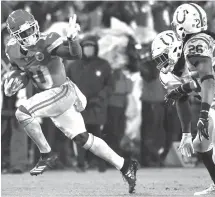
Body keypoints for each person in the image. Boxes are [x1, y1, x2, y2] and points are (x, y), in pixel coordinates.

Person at [4, 9, 138, 194]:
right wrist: (14, 80)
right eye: (24, 32)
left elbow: (75, 55)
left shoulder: (47, 40)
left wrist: (73, 40)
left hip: (61, 91)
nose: (30, 34)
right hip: (51, 98)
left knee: (23, 112)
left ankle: (46, 154)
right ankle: (125, 166)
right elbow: (21, 70)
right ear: (15, 36)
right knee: (82, 138)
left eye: (31, 29)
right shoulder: (12, 50)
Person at [151, 29, 215, 195]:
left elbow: (204, 82)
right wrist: (186, 134)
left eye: (162, 57)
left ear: (175, 49)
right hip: (212, 106)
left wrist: (182, 89)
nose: (161, 64)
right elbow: (182, 100)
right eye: (158, 60)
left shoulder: (195, 55)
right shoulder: (170, 73)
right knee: (201, 145)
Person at [167, 3, 215, 195]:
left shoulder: (193, 45)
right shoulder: (203, 39)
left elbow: (208, 82)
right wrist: (182, 88)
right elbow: (203, 81)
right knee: (200, 145)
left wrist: (203, 114)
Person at [67, 35, 112, 172]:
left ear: (96, 49)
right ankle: (81, 164)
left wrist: (100, 98)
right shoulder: (73, 65)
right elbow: (66, 84)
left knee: (97, 136)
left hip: (97, 107)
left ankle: (101, 164)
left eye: (91, 47)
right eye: (85, 47)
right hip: (78, 107)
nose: (88, 50)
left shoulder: (103, 65)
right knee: (79, 136)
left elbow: (110, 85)